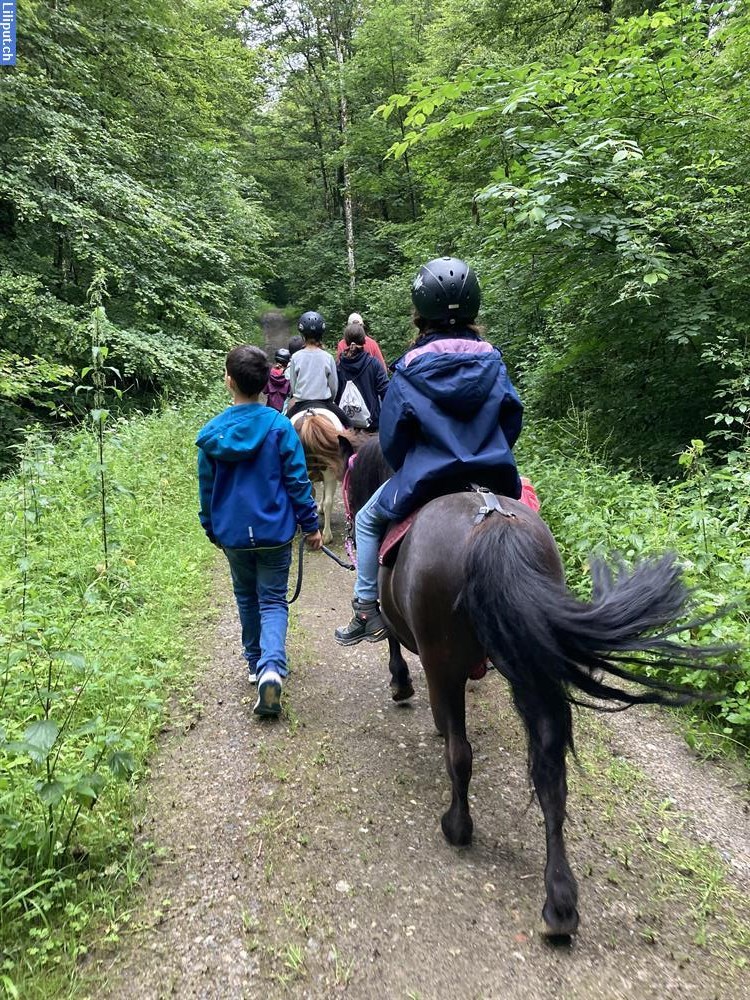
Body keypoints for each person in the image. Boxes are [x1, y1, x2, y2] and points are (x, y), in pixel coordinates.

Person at [334, 257, 523, 646]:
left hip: (426, 479)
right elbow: (511, 420)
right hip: (493, 476)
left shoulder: (409, 368)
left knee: (368, 520)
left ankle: (366, 609)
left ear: (420, 312)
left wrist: (412, 461)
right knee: (529, 520)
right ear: (474, 306)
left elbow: (392, 441)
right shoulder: (493, 360)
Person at [197, 345, 323, 716]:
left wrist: (211, 527)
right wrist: (311, 525)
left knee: (246, 596)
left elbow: (207, 490)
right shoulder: (280, 426)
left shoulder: (212, 435)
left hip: (233, 534)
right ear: (267, 382)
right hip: (274, 532)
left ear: (229, 381)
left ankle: (255, 664)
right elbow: (298, 482)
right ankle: (272, 667)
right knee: (272, 599)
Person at [286, 310, 351, 426]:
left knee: (282, 427)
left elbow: (294, 386)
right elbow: (334, 387)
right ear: (321, 334)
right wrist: (330, 400)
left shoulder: (295, 357)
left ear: (302, 335)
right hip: (325, 403)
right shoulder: (328, 357)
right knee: (348, 425)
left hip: (301, 404)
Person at [335, 323, 389, 430]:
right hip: (372, 425)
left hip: (348, 425)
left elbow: (335, 395)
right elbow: (386, 392)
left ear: (345, 342)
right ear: (364, 341)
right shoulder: (373, 364)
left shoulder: (339, 366)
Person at [264, 347, 292, 413]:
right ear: (287, 362)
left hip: (270, 409)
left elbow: (265, 391)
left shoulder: (269, 374)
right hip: (283, 410)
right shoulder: (288, 377)